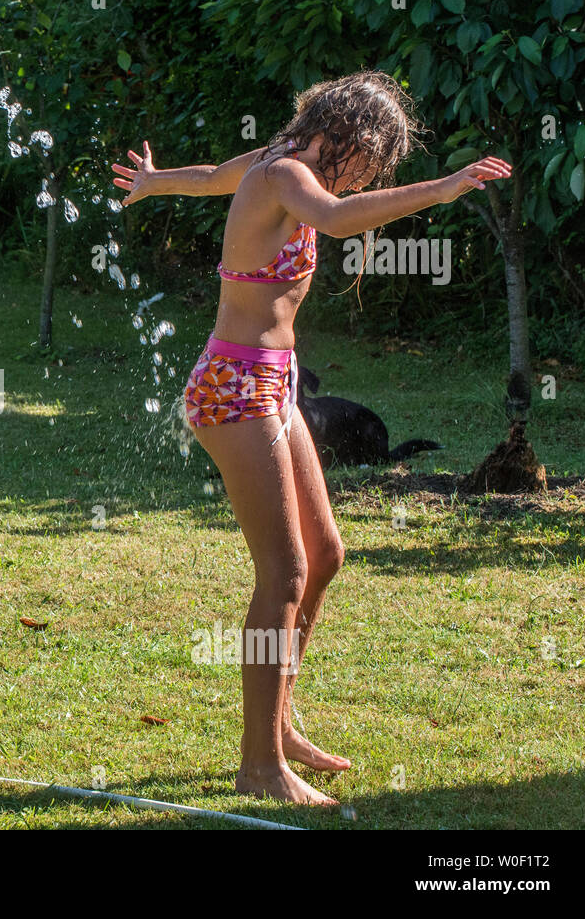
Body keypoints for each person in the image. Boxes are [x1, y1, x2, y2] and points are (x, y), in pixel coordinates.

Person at [112, 70, 511, 804]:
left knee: (326, 553)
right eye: (371, 159)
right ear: (348, 138)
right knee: (286, 571)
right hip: (234, 386)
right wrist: (442, 187)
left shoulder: (275, 159)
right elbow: (333, 216)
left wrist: (154, 178)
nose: (370, 174)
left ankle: (281, 721)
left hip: (274, 381)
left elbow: (208, 177)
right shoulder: (291, 173)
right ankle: (258, 764)